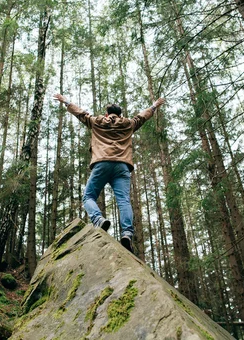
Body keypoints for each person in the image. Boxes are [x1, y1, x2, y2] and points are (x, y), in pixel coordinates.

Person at [53, 93, 165, 253]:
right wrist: (154, 105)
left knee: (88, 197)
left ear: (107, 114)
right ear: (121, 115)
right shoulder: (128, 124)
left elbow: (81, 113)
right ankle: (126, 234)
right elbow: (142, 117)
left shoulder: (97, 122)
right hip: (122, 166)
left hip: (102, 163)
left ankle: (98, 219)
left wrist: (66, 101)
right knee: (124, 201)